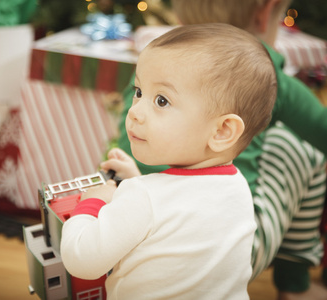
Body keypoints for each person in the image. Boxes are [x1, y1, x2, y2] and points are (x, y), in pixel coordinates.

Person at [113, 0, 327, 299]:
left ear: (179, 12)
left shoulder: (159, 64)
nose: (136, 111)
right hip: (227, 255)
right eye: (141, 95)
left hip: (131, 236)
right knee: (299, 146)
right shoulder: (265, 76)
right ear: (264, 12)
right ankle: (295, 284)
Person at [61, 23, 277, 299]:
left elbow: (82, 260)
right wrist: (135, 181)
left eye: (161, 101)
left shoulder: (143, 198)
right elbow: (173, 215)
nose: (135, 111)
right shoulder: (237, 189)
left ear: (222, 131)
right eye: (139, 92)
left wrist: (93, 203)